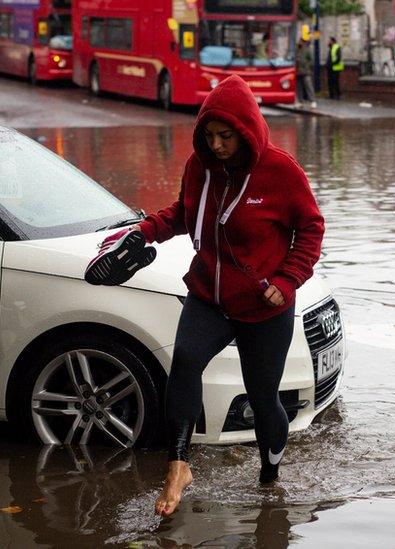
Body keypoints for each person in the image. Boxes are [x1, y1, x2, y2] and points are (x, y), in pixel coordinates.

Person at [128, 76, 325, 517]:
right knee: (185, 362)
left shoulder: (281, 171)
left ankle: (270, 477)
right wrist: (144, 232)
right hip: (209, 296)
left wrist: (289, 279)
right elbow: (184, 212)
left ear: (247, 131)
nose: (216, 146)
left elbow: (311, 228)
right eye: (209, 136)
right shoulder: (199, 167)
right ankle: (179, 466)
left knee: (262, 395)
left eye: (226, 136)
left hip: (264, 306)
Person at [295, 39, 316, 107]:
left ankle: (312, 100)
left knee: (308, 86)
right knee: (299, 87)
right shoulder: (297, 50)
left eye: (300, 41)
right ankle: (300, 101)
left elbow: (311, 60)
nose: (299, 42)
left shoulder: (307, 50)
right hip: (298, 72)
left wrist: (306, 66)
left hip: (306, 71)